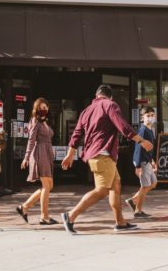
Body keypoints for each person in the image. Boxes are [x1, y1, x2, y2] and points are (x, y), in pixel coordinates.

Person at [60, 84, 153, 235]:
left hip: (95, 155)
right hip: (103, 154)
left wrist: (70, 154)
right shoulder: (110, 105)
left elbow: (77, 134)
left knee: (115, 186)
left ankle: (120, 222)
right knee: (102, 190)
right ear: (110, 96)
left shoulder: (86, 111)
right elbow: (123, 126)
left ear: (97, 96)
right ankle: (70, 216)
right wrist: (141, 141)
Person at [16, 98, 57, 225]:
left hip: (47, 153)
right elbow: (31, 140)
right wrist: (26, 157)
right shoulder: (35, 121)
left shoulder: (45, 122)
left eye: (46, 107)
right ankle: (44, 217)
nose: (44, 109)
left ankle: (24, 207)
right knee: (46, 186)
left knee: (49, 186)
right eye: (42, 107)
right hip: (39, 153)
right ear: (37, 109)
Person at [125, 106, 157, 218]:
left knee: (153, 183)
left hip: (147, 161)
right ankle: (138, 211)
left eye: (152, 115)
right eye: (148, 116)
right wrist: (138, 165)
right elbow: (139, 148)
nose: (150, 118)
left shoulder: (150, 130)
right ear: (142, 117)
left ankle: (133, 200)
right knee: (144, 186)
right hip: (142, 162)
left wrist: (152, 160)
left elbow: (148, 148)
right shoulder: (143, 130)